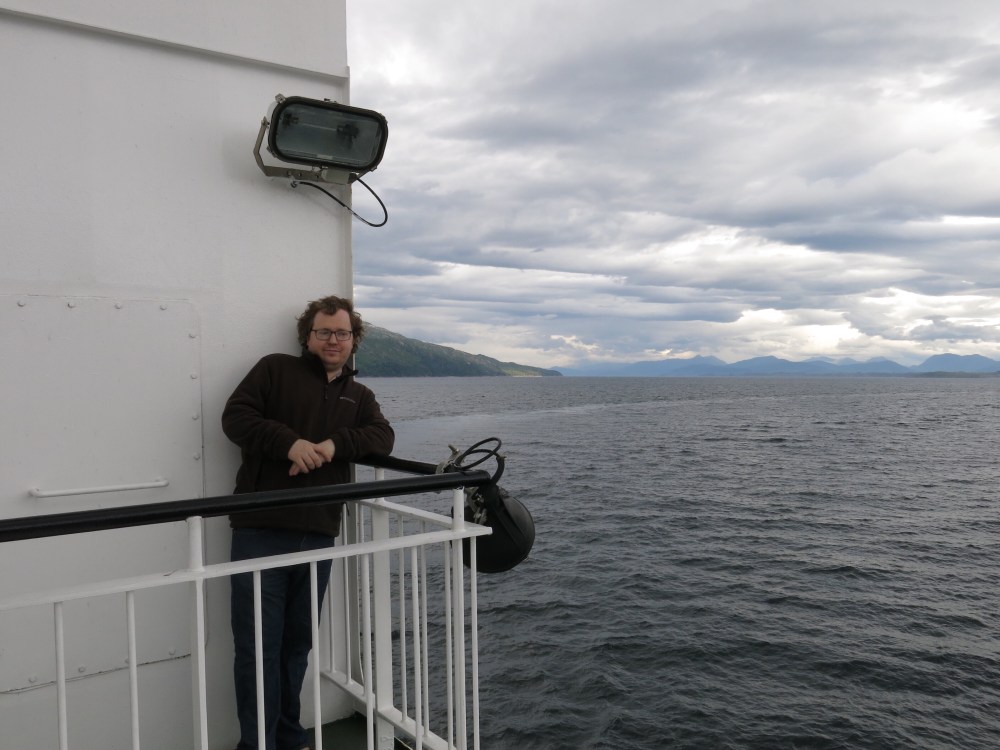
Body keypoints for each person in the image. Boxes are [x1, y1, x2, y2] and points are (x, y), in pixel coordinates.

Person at [222, 295, 394, 750]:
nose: (333, 340)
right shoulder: (275, 370)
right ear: (308, 336)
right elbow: (236, 417)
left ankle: (289, 735)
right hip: (261, 528)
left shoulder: (359, 396)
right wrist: (290, 444)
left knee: (296, 644)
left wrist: (333, 446)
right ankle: (256, 743)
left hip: (317, 531)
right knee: (257, 648)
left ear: (354, 339)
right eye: (324, 332)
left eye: (342, 333)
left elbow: (382, 435)